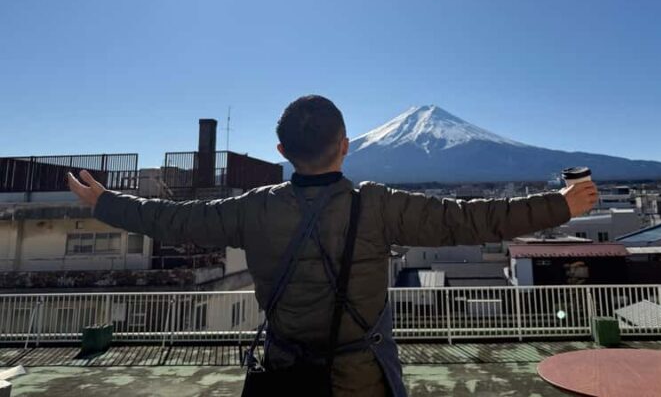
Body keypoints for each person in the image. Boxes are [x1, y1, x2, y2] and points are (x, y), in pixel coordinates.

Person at [68, 95, 598, 396]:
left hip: (285, 377)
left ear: (281, 151)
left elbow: (174, 220)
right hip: (360, 379)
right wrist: (562, 204)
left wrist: (104, 204)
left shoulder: (254, 207)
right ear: (345, 145)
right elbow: (471, 220)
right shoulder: (378, 204)